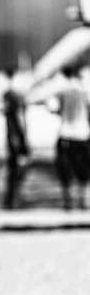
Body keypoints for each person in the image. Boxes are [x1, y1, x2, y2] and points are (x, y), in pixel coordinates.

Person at [49, 67, 90, 209]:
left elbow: (53, 108)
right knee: (83, 169)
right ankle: (83, 200)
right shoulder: (85, 91)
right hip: (83, 133)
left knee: (65, 169)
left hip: (66, 133)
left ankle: (68, 201)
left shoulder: (62, 90)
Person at [2, 67, 31, 209]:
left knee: (13, 169)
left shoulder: (7, 95)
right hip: (17, 138)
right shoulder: (16, 95)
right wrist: (24, 140)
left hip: (11, 137)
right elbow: (20, 119)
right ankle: (15, 200)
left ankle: (10, 200)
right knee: (19, 169)